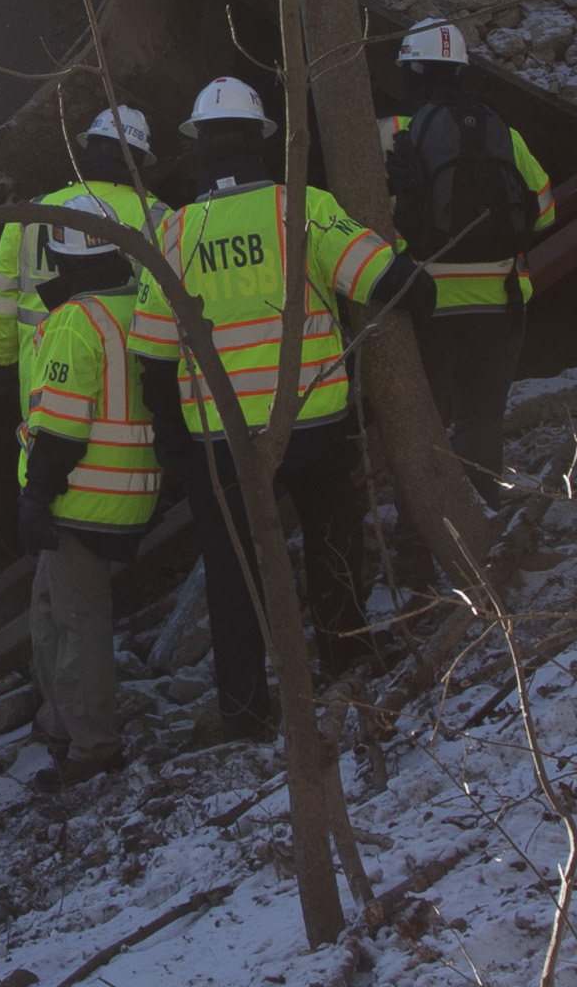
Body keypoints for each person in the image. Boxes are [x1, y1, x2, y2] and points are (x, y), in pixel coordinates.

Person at [160, 75, 413, 740]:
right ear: (264, 140)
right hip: (312, 424)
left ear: (200, 147)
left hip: (223, 441)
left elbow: (154, 350)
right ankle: (346, 655)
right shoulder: (298, 206)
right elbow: (388, 281)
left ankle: (244, 711)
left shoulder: (173, 234)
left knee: (234, 573)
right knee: (331, 542)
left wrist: (178, 447)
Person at [10, 211, 176, 775]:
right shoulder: (139, 307)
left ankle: (91, 748)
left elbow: (60, 428)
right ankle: (63, 727)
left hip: (79, 496)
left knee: (76, 626)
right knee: (54, 614)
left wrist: (36, 497)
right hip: (130, 489)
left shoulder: (76, 320)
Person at [382, 17, 553, 503]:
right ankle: (482, 512)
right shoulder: (499, 129)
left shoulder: (388, 132)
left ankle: (425, 530)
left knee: (425, 423)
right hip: (501, 303)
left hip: (423, 301)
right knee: (482, 416)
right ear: (460, 71)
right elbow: (544, 212)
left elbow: (359, 227)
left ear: (409, 69)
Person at [0, 102, 161, 372]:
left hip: (40, 376)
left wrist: (3, 361)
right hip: (123, 378)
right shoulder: (157, 217)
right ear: (138, 161)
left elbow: (0, 295)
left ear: (88, 149)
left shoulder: (33, 212)